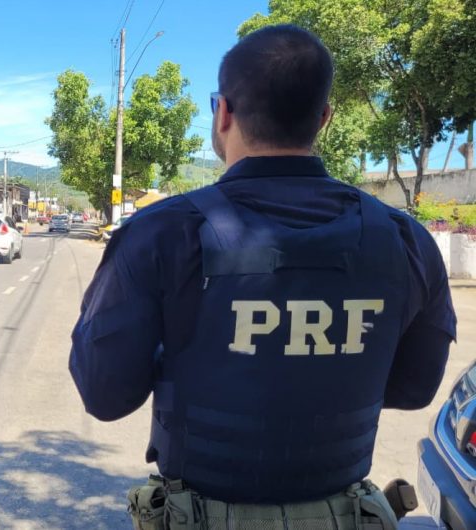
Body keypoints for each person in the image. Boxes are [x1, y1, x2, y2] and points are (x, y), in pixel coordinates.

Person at [70, 25, 455, 530]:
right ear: (324, 118)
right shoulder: (405, 240)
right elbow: (415, 389)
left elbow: (104, 395)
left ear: (223, 113)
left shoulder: (160, 233)